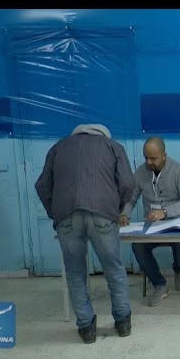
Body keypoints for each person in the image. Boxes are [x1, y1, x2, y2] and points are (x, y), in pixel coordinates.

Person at [35, 124, 136, 344]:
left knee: (75, 273)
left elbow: (42, 185)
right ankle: (123, 324)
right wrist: (114, 209)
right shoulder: (113, 146)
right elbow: (128, 183)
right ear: (103, 135)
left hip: (67, 217)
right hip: (103, 214)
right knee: (114, 270)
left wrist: (56, 213)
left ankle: (87, 329)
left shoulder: (58, 148)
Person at [120, 137, 180, 307]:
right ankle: (159, 284)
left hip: (178, 224)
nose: (149, 162)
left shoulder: (179, 170)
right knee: (137, 246)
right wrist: (124, 213)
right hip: (153, 226)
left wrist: (166, 212)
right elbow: (131, 200)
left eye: (153, 158)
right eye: (146, 157)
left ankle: (178, 269)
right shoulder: (140, 172)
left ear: (164, 156)